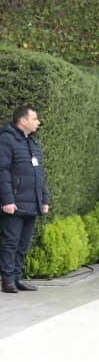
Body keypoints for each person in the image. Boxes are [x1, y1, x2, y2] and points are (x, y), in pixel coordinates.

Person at [0, 106, 50, 293]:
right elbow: (2, 171)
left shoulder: (32, 142)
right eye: (35, 119)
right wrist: (7, 200)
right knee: (10, 242)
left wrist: (43, 199)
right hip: (14, 203)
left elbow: (39, 174)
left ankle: (17, 277)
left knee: (23, 244)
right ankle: (7, 280)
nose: (38, 122)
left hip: (32, 202)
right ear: (23, 121)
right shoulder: (6, 139)